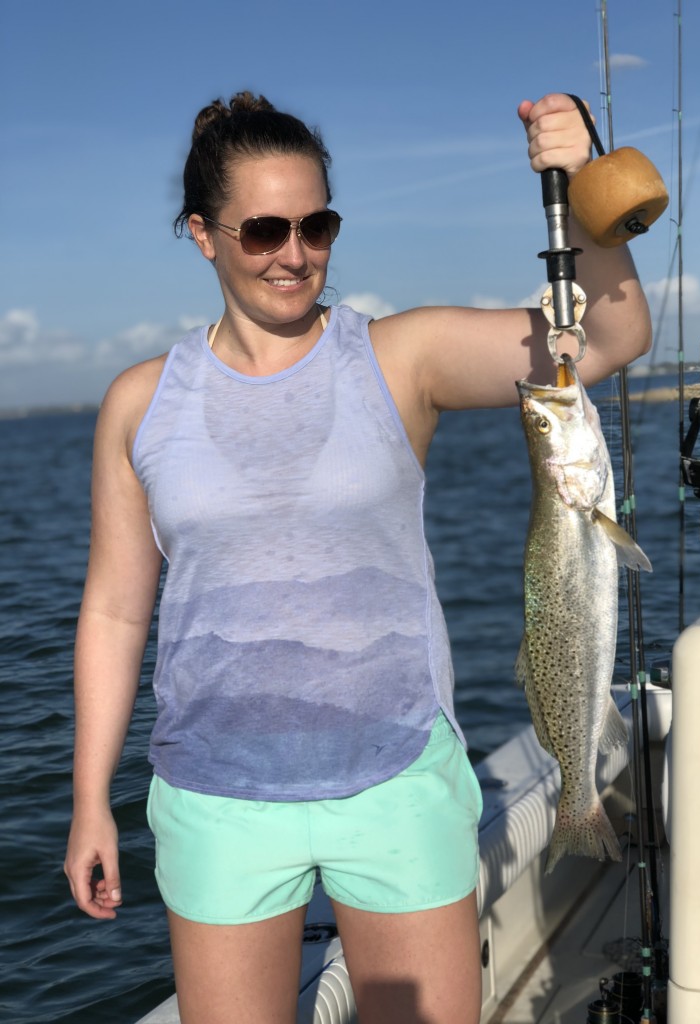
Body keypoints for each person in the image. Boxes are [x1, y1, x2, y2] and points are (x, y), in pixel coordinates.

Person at [64, 90, 652, 1024]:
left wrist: (586, 176)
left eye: (317, 224)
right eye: (262, 230)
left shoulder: (397, 358)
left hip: (398, 780)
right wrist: (89, 796)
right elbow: (115, 611)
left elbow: (613, 339)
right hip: (216, 797)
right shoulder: (140, 402)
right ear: (202, 234)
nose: (294, 254)